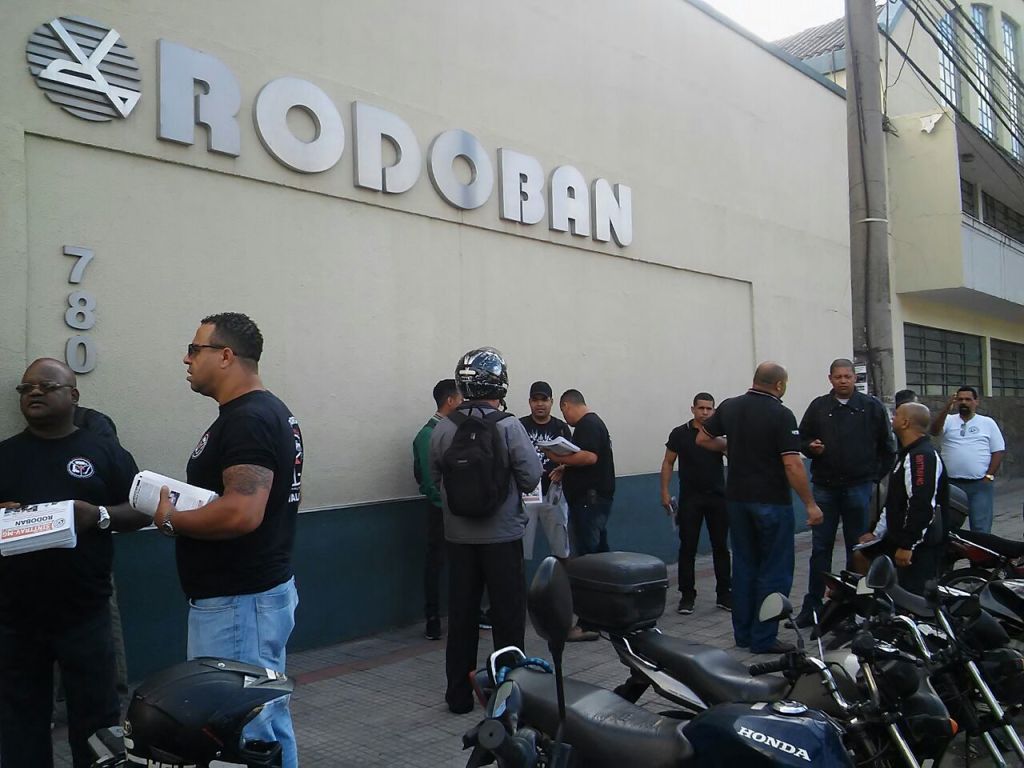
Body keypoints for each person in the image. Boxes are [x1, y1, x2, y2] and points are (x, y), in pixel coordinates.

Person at [153, 312, 304, 768]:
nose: (186, 359)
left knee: (241, 732)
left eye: (194, 349)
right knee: (265, 720)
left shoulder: (249, 419)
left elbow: (242, 511)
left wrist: (171, 519)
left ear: (225, 355)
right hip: (250, 600)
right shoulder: (262, 413)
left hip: (239, 607)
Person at [0, 358, 149, 768]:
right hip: (15, 618)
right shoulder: (5, 455)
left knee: (97, 723)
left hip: (85, 613)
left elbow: (142, 510)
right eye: (26, 388)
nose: (34, 392)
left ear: (73, 395)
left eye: (47, 386)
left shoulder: (103, 451)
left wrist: (98, 515)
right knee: (19, 722)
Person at [429, 347, 541, 714]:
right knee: (508, 618)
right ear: (500, 383)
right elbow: (531, 476)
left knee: (462, 617)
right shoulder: (509, 426)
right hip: (503, 537)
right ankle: (508, 694)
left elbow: (435, 476)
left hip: (458, 538)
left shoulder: (444, 427)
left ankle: (458, 696)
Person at [698, 362, 823, 654]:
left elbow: (702, 438)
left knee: (744, 566)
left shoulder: (729, 406)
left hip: (737, 499)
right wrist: (810, 504)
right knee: (775, 570)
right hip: (771, 501)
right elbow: (792, 464)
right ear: (779, 385)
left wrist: (731, 448)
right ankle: (764, 637)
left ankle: (743, 634)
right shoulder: (781, 414)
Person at [793, 359, 896, 627]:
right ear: (830, 379)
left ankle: (854, 607)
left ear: (854, 378)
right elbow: (801, 439)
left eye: (847, 376)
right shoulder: (818, 407)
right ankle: (813, 607)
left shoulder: (871, 407)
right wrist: (810, 447)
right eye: (838, 377)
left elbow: (888, 448)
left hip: (858, 488)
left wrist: (873, 478)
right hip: (825, 487)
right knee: (820, 549)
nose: (842, 381)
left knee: (858, 550)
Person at [854, 403, 948, 594]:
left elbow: (921, 503)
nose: (892, 419)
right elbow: (894, 501)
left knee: (914, 595)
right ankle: (869, 602)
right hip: (898, 536)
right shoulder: (906, 453)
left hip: (919, 544)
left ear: (905, 423)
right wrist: (877, 533)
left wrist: (907, 545)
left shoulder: (921, 456)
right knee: (861, 555)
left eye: (896, 415)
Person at [659, 392, 730, 615]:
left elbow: (735, 458)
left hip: (718, 498)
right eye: (701, 408)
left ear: (714, 411)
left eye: (709, 409)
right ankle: (687, 596)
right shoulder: (680, 434)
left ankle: (725, 595)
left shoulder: (719, 435)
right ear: (693, 409)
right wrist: (664, 491)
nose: (705, 412)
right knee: (688, 548)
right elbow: (668, 462)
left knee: (721, 547)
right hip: (691, 499)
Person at [412, 379, 463, 640]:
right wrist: (445, 504)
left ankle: (465, 614)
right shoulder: (428, 435)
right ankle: (432, 618)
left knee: (462, 564)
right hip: (440, 510)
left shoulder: (454, 430)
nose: (463, 404)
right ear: (450, 401)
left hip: (458, 509)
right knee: (436, 563)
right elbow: (428, 479)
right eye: (460, 399)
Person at [546, 390, 615, 557]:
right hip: (593, 499)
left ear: (566, 405)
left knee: (587, 553)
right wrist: (567, 467)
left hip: (588, 500)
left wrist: (557, 457)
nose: (565, 418)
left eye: (563, 412)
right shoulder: (593, 423)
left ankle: (592, 575)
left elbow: (589, 457)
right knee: (598, 550)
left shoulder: (587, 425)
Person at [929, 386, 1005, 533]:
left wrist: (989, 476)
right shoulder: (948, 420)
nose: (964, 402)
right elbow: (934, 431)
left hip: (979, 485)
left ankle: (981, 549)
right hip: (951, 485)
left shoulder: (987, 423)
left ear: (976, 402)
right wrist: (946, 408)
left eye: (968, 399)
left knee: (980, 528)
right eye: (960, 399)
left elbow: (998, 451)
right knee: (947, 526)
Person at [520, 381, 573, 560]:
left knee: (561, 546)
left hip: (554, 492)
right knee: (521, 547)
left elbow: (574, 457)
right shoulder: (519, 426)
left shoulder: (561, 428)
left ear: (551, 401)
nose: (540, 404)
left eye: (544, 399)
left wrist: (564, 468)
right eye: (535, 400)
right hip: (527, 493)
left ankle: (562, 577)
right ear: (529, 402)